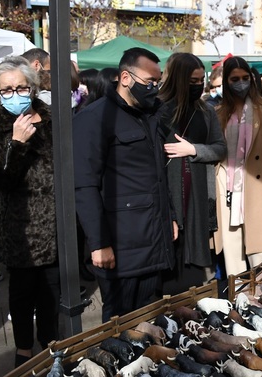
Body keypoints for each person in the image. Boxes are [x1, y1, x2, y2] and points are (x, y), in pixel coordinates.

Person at [73, 47, 178, 322]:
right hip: (120, 243)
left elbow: (159, 175)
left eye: (158, 82)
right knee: (119, 324)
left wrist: (171, 217)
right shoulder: (94, 118)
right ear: (125, 77)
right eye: (149, 82)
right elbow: (84, 185)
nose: (154, 88)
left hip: (153, 237)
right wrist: (99, 243)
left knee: (148, 318)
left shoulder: (152, 115)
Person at [0, 56, 60, 366]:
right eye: (7, 90)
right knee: (21, 291)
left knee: (52, 288)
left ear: (33, 88)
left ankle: (52, 340)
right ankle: (24, 349)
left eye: (21, 87)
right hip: (19, 223)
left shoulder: (53, 119)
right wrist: (16, 143)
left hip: (55, 220)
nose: (15, 94)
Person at [157, 53, 227, 294]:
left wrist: (193, 149)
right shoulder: (158, 110)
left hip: (197, 198)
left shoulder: (206, 111)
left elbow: (220, 148)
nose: (198, 85)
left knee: (192, 277)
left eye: (201, 80)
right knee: (168, 271)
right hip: (167, 196)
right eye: (192, 81)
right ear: (178, 79)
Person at [214, 56, 262, 276]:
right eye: (235, 79)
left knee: (260, 255)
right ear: (226, 82)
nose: (241, 83)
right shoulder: (218, 112)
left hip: (257, 188)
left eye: (245, 78)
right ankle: (237, 303)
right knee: (232, 255)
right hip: (226, 189)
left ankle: (260, 303)